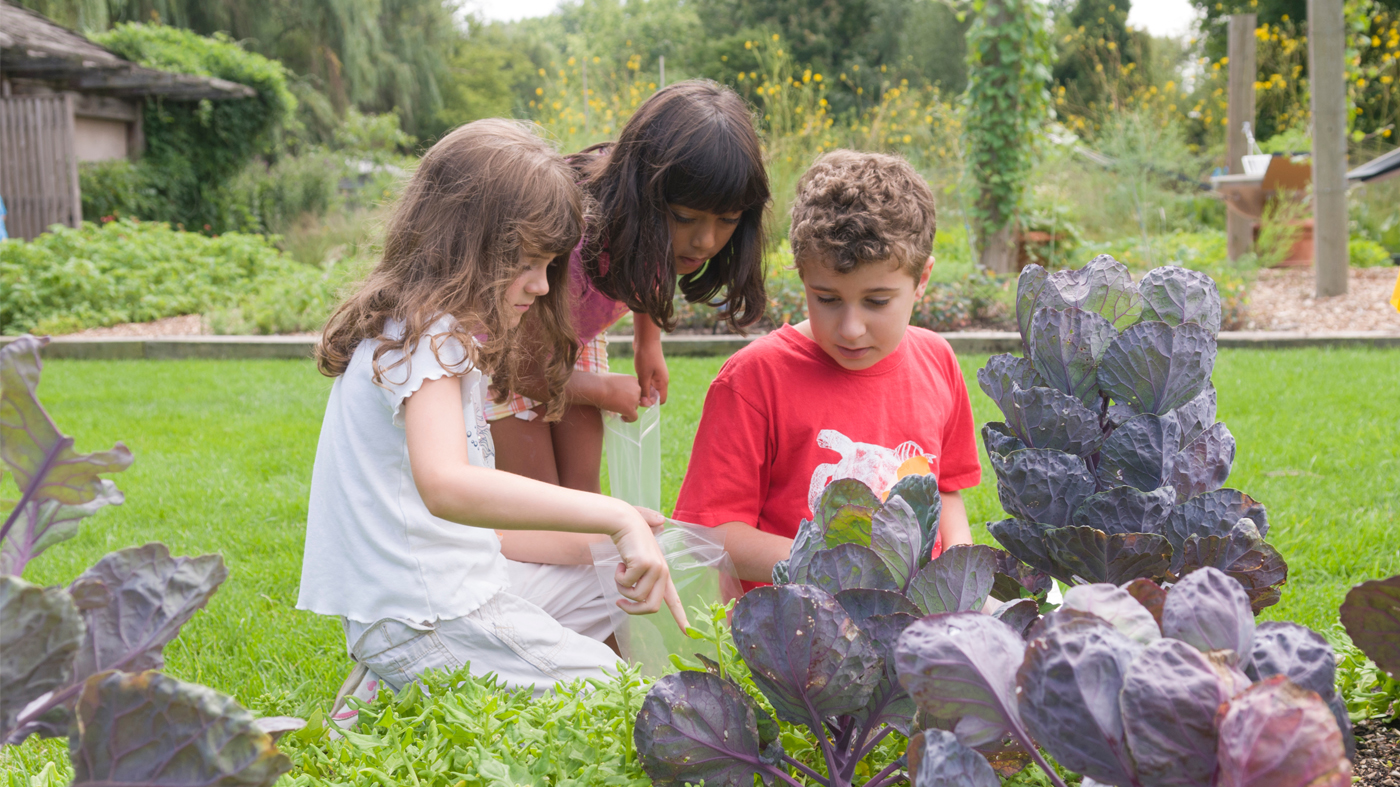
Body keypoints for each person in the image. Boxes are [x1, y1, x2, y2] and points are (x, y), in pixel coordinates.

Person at [295, 119, 686, 725]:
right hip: (427, 617)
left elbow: (485, 536)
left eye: (551, 264)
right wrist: (611, 515)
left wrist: (609, 538)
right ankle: (403, 674)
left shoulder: (436, 333)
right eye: (528, 262)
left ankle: (393, 684)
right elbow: (449, 486)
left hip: (463, 588)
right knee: (627, 701)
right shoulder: (427, 340)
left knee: (614, 586)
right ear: (462, 242)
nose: (541, 284)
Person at [672, 150, 982, 591]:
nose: (851, 329)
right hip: (794, 638)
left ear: (923, 279)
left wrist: (956, 567)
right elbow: (708, 533)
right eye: (827, 298)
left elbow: (946, 489)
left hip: (911, 625)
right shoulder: (753, 380)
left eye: (877, 301)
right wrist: (838, 566)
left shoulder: (938, 361)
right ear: (802, 276)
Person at [487, 80, 770, 509]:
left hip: (568, 337)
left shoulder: (653, 225)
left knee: (582, 492)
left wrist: (647, 341)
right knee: (539, 503)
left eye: (728, 219)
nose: (705, 241)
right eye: (685, 217)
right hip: (503, 351)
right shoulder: (575, 240)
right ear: (639, 190)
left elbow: (648, 266)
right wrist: (600, 390)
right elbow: (524, 372)